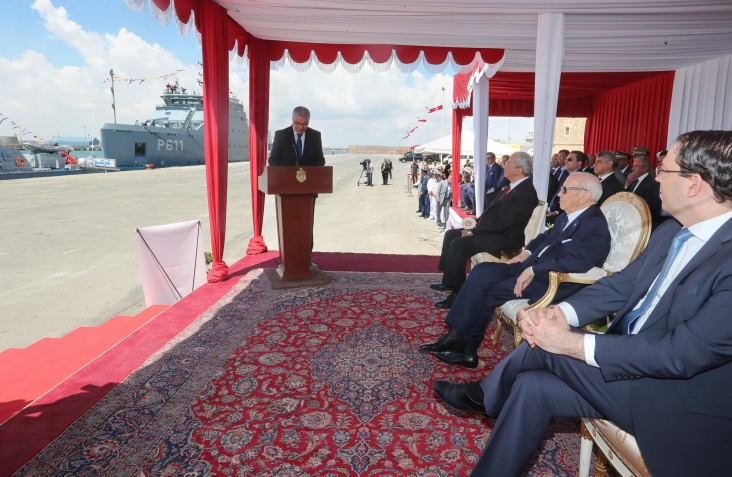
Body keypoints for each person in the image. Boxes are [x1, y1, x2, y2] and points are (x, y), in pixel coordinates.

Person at [432, 130, 732, 477]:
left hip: (679, 400)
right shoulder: (672, 231)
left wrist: (570, 342)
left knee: (545, 347)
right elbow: (621, 284)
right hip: (635, 369)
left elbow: (680, 354)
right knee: (531, 386)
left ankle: (483, 395)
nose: (656, 178)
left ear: (693, 184)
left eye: (664, 170)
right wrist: (560, 312)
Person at [422, 173, 610, 367]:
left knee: (488, 291)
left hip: (549, 281)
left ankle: (466, 349)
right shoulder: (568, 216)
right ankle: (456, 336)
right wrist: (525, 254)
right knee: (481, 271)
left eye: (565, 190)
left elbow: (579, 262)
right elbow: (543, 238)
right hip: (528, 267)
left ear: (585, 195)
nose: (559, 194)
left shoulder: (594, 223)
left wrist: (533, 270)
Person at [431, 152, 538, 308]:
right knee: (450, 234)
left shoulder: (525, 192)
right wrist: (475, 224)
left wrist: (475, 231)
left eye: (508, 164)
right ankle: (449, 281)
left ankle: (458, 294)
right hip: (494, 231)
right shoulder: (513, 187)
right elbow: (492, 212)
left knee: (458, 244)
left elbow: (507, 223)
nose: (504, 166)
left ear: (519, 170)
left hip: (504, 238)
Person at [546, 150, 586, 222]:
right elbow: (558, 195)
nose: (566, 161)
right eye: (566, 159)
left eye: (570, 159)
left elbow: (573, 201)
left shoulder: (580, 179)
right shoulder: (566, 175)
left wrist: (556, 211)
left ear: (579, 163)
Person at [625, 155, 662, 221]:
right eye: (633, 166)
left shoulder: (652, 184)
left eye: (636, 166)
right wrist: (627, 184)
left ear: (645, 168)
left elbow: (649, 208)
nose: (632, 168)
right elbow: (625, 196)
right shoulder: (633, 180)